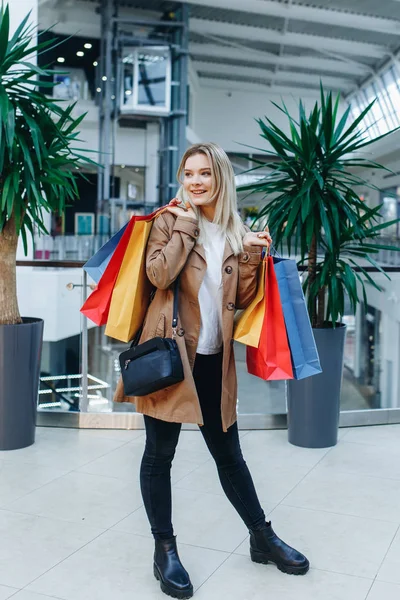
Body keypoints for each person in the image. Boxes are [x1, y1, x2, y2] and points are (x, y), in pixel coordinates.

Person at [114, 142, 309, 599]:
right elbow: (159, 276)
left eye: (205, 173)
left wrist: (252, 256)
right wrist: (184, 226)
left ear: (221, 178)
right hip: (170, 358)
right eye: (189, 173)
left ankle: (262, 536)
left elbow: (238, 300)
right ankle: (165, 550)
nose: (196, 181)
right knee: (160, 455)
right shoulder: (168, 220)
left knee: (230, 456)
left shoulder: (234, 230)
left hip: (213, 358)